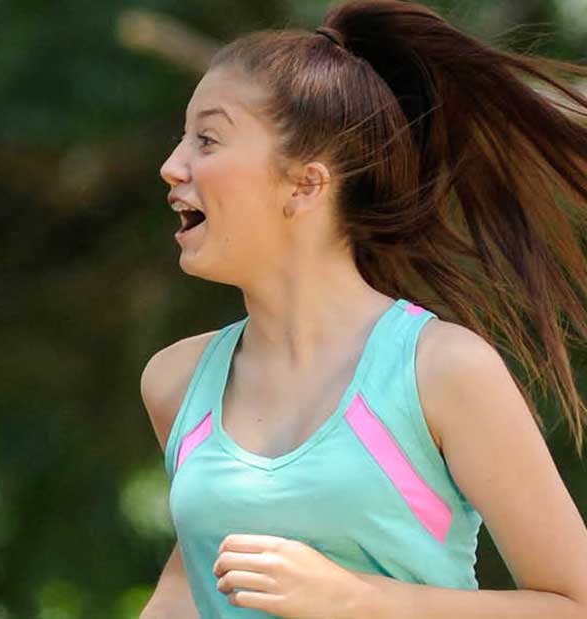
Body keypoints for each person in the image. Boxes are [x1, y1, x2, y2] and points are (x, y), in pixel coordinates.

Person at [142, 1, 587, 616]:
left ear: (306, 184)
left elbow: (574, 603)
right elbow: (191, 578)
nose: (172, 167)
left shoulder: (442, 370)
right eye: (182, 138)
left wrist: (359, 600)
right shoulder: (176, 383)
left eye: (207, 140)